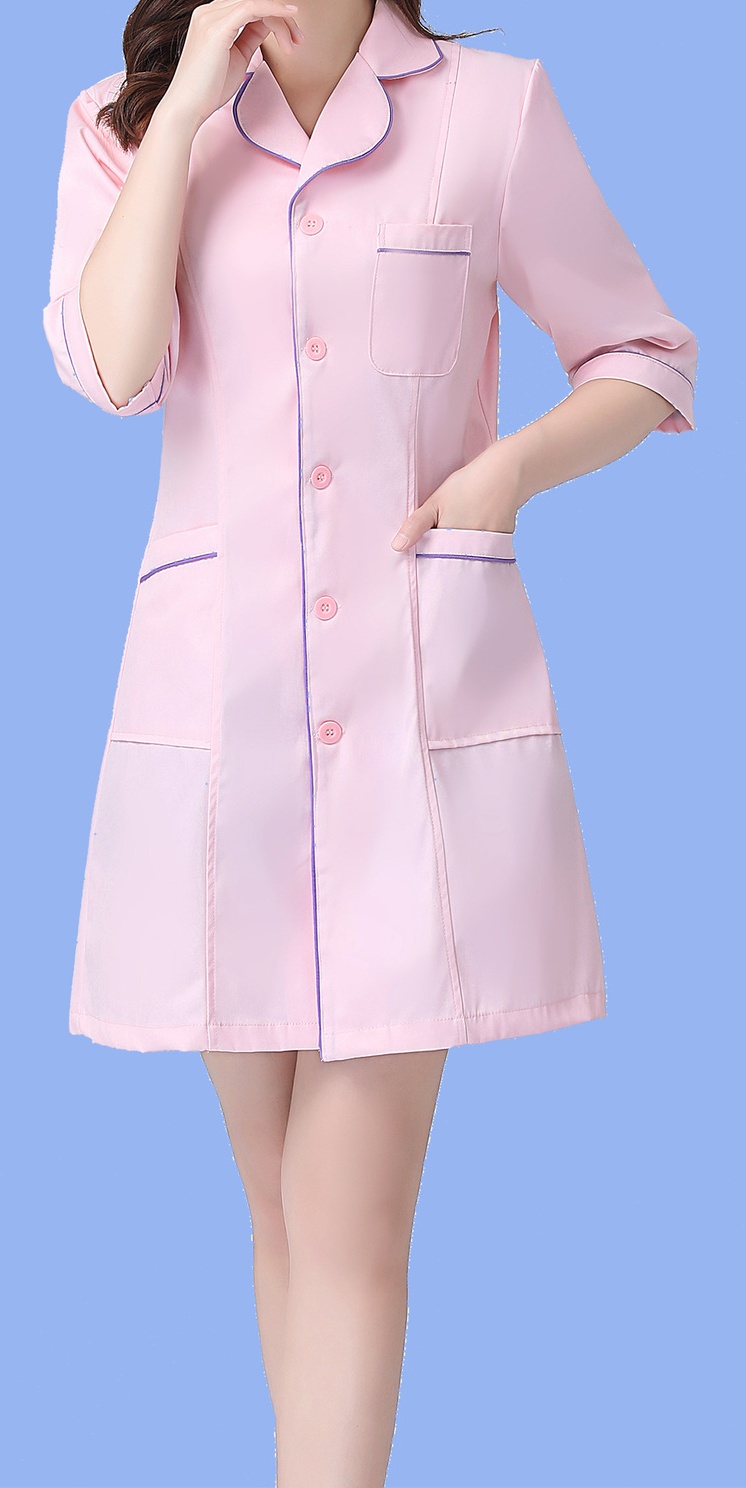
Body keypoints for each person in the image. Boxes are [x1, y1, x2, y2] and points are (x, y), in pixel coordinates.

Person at [42, 1, 698, 1483]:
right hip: (216, 738)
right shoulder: (123, 120)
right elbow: (112, 368)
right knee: (280, 1209)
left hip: (411, 714)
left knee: (348, 1215)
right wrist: (186, 103)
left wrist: (507, 473)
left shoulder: (491, 108)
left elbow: (644, 353)